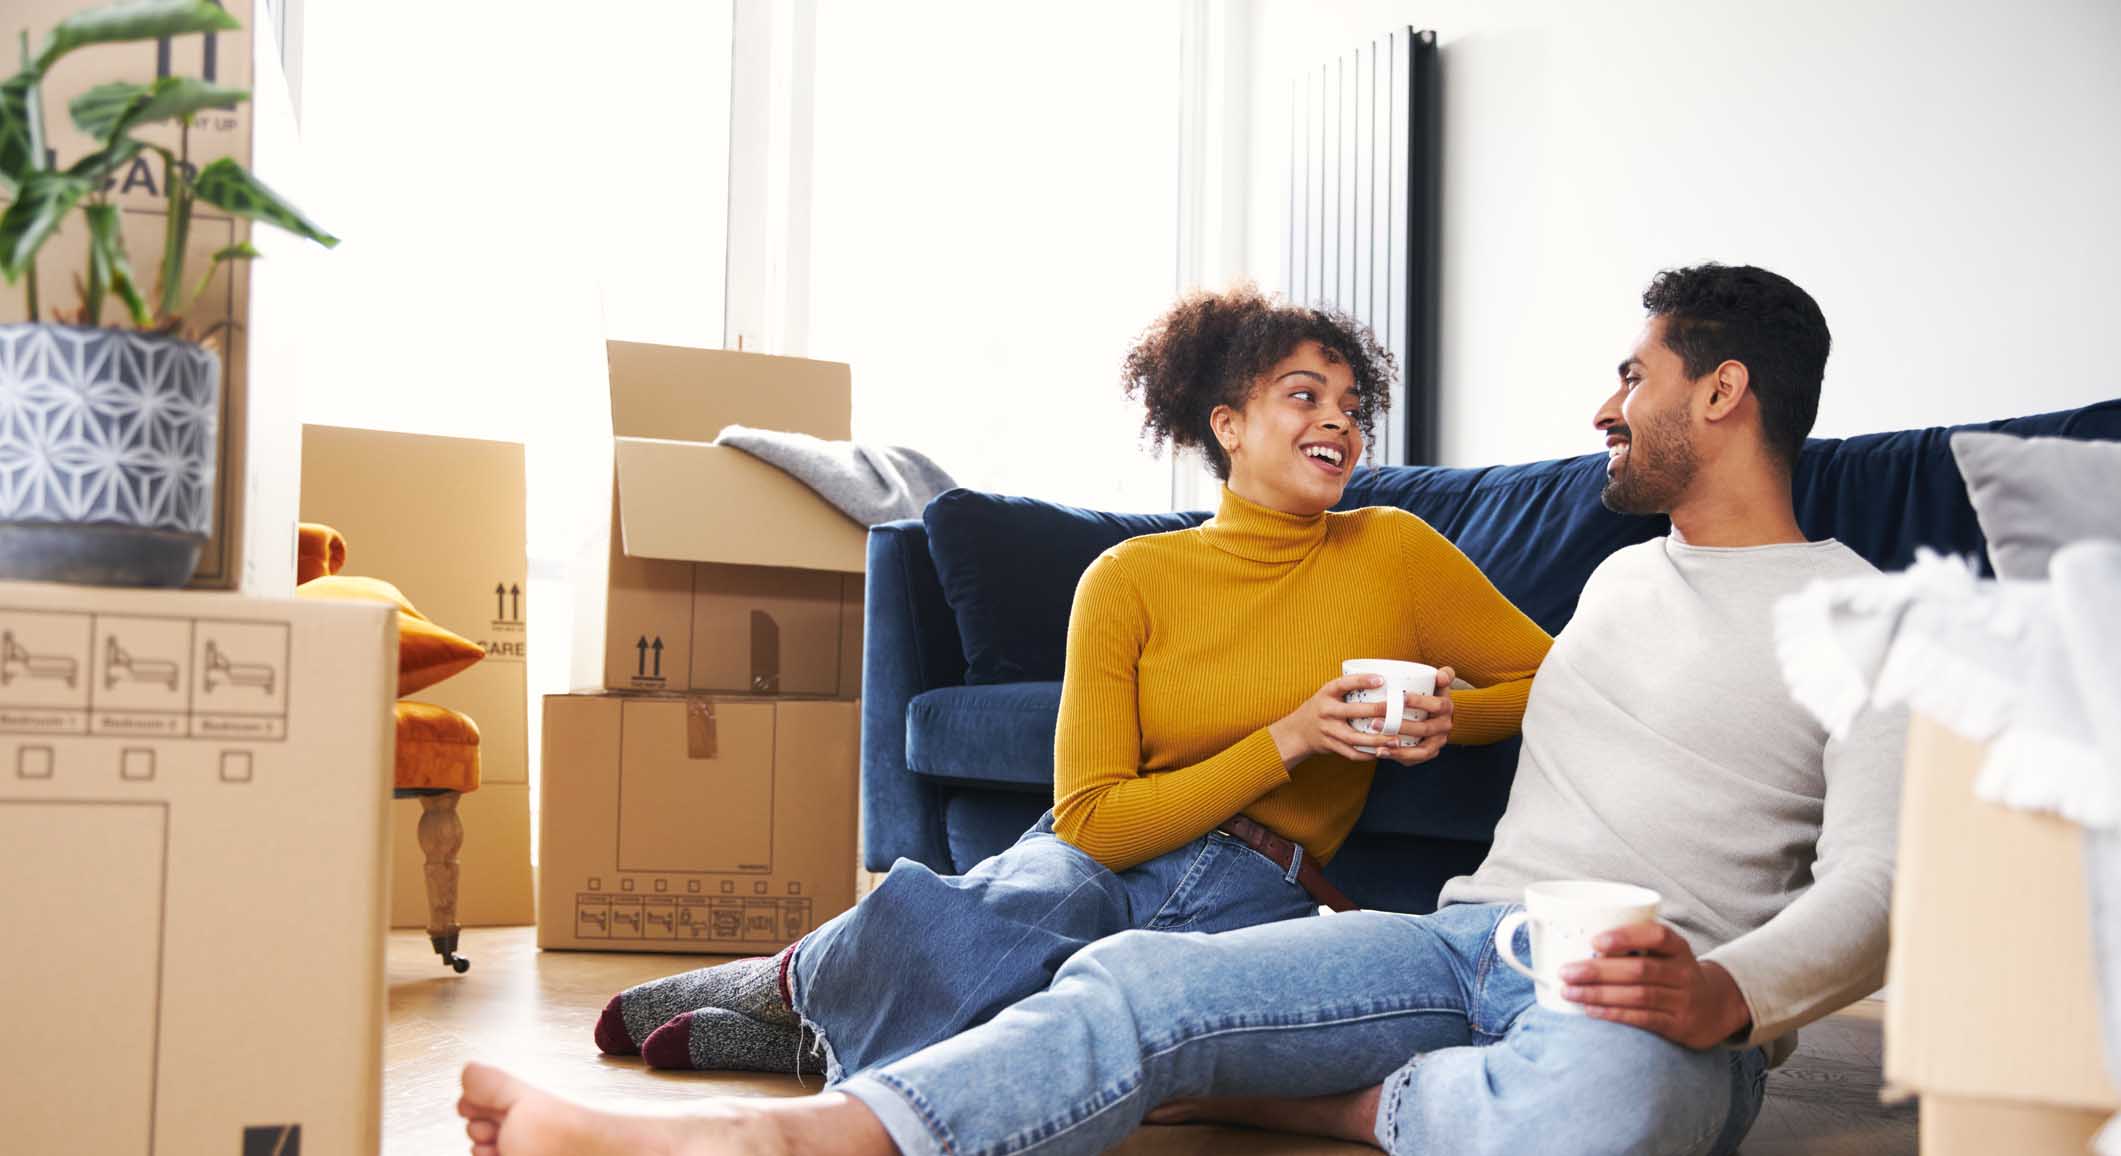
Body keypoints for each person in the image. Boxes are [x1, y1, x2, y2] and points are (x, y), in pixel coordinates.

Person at [455, 262, 1905, 1156]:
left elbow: (1884, 882)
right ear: (1225, 420)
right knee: (1102, 948)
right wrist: (1368, 724)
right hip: (1454, 933)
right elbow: (1520, 701)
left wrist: (1730, 996)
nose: (1601, 409)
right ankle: (788, 1131)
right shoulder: (1619, 588)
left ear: (1718, 396)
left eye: (1630, 377)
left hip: (1618, 982)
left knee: (1620, 1112)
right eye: (1299, 395)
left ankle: (1265, 1096)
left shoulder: (1874, 622)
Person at [583, 285, 1554, 1085]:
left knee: (1080, 968)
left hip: (1259, 879)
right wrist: (1289, 738)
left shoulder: (1394, 551)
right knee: (1051, 888)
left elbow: (1559, 674)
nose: (1338, 419)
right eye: (1306, 395)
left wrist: (1450, 717)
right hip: (1103, 849)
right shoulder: (1130, 578)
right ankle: (796, 991)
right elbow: (1089, 820)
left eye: (1351, 404)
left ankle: (801, 1005)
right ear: (1228, 424)